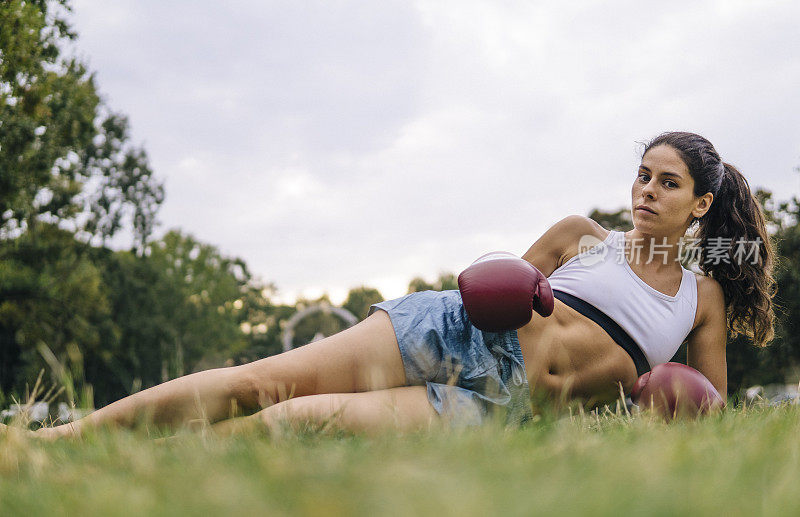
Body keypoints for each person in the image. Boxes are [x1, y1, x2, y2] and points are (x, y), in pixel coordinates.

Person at [15, 131, 777, 439]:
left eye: (666, 182)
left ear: (700, 204)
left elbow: (707, 411)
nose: (645, 189)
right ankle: (58, 440)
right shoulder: (582, 235)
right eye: (641, 174)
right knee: (263, 382)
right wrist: (507, 283)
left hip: (498, 405)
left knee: (298, 422)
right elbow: (496, 287)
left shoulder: (698, 298)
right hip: (450, 330)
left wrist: (650, 405)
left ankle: (158, 472)